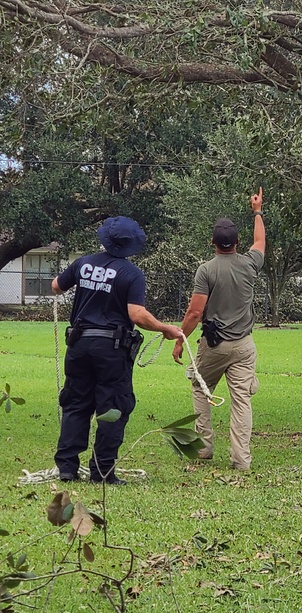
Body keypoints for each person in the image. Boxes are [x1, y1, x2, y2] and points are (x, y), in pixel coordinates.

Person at [52, 217, 184, 484]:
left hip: (79, 344)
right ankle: (102, 472)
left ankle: (67, 468)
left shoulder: (83, 263)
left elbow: (57, 286)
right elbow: (136, 314)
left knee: (76, 403)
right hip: (111, 348)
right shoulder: (131, 274)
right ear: (131, 246)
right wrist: (164, 328)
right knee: (113, 406)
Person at [173, 188, 266, 470]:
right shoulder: (251, 263)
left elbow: (195, 312)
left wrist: (180, 339)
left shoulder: (207, 270)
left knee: (201, 389)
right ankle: (241, 460)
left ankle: (203, 448)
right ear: (238, 242)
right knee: (242, 401)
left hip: (214, 346)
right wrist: (257, 210)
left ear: (212, 242)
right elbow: (261, 240)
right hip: (244, 346)